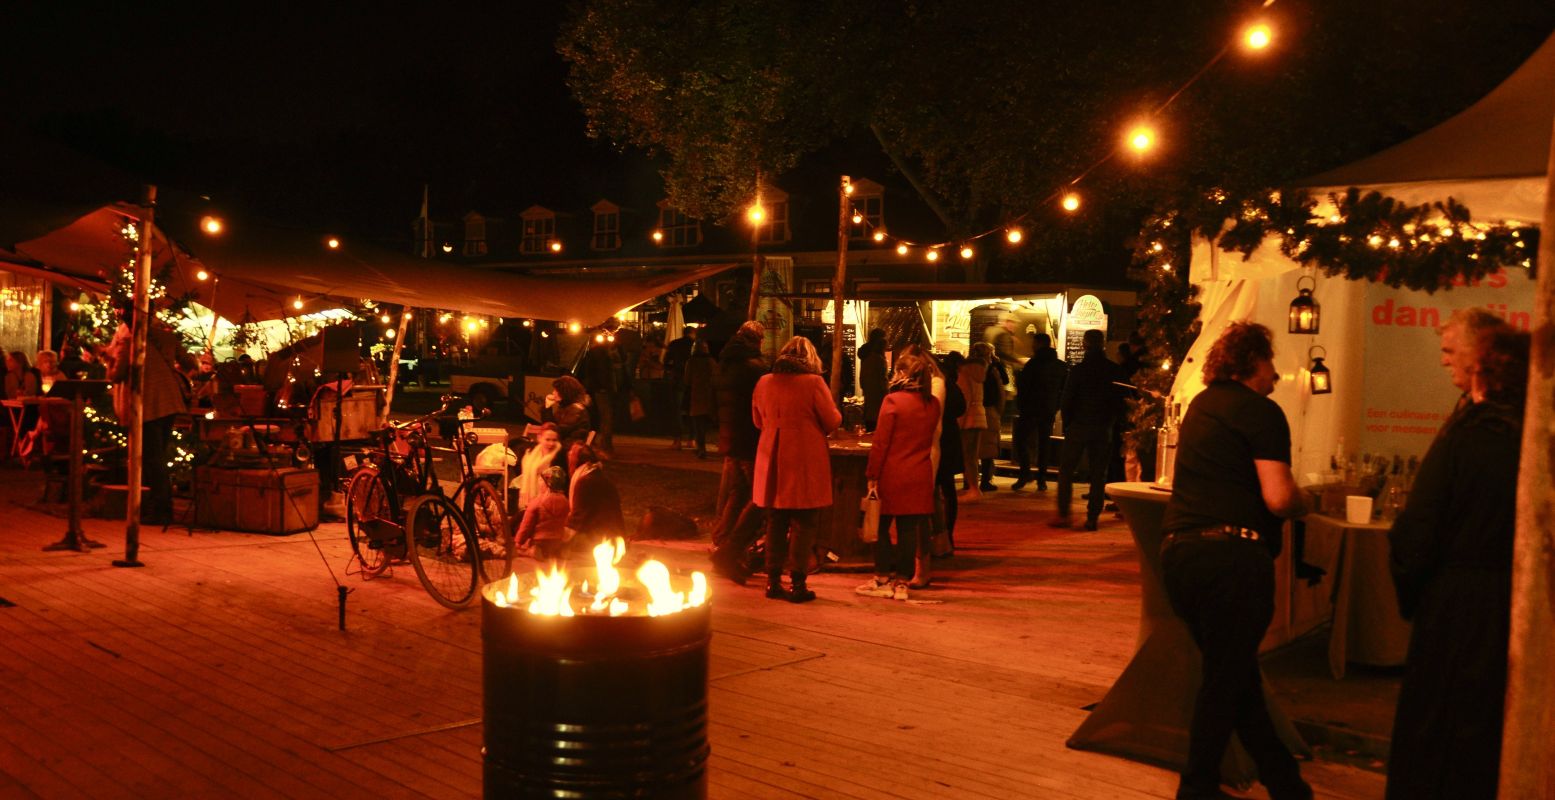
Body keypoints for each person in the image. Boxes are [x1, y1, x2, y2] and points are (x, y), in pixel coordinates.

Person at [1159, 322, 1311, 800]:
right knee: (1226, 680)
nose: (1277, 374)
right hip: (1233, 559)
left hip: (1181, 553)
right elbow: (1280, 498)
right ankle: (1196, 786)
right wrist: (1311, 501)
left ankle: (1286, 782)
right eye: (1270, 363)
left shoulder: (1202, 406)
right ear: (1250, 363)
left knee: (1235, 674)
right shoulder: (1261, 413)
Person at [1385, 315, 1526, 800]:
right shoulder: (1532, 431)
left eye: (1450, 351)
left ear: (1481, 359)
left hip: (1459, 607)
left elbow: (1418, 530)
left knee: (1442, 732)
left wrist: (1417, 591)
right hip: (1516, 600)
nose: (1443, 361)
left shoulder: (1468, 433)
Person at [751, 336, 841, 603]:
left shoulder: (764, 382)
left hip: (772, 456)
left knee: (776, 521)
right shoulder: (813, 383)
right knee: (804, 522)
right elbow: (832, 419)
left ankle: (772, 580)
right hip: (804, 457)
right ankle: (798, 583)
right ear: (810, 359)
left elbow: (757, 420)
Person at [856, 351, 940, 601]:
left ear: (902, 374)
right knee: (908, 530)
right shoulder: (932, 403)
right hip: (920, 472)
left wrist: (872, 474)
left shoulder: (892, 401)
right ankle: (903, 582)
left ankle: (882, 578)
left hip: (893, 472)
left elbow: (881, 442)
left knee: (880, 527)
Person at [105, 317, 190, 525]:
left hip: (145, 404)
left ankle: (161, 509)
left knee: (151, 458)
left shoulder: (129, 340)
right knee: (158, 455)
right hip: (169, 400)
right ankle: (160, 505)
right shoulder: (165, 336)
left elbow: (117, 374)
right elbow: (189, 362)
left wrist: (108, 360)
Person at [710, 321, 768, 584]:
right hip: (749, 439)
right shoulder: (754, 369)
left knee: (738, 492)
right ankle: (729, 551)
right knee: (759, 498)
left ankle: (722, 543)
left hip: (729, 437)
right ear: (757, 340)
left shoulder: (725, 364)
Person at [1051, 329, 1124, 530]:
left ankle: (1064, 513)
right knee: (1098, 473)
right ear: (1103, 344)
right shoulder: (1113, 370)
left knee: (1066, 470)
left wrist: (1067, 424)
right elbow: (1119, 401)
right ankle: (1093, 516)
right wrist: (1112, 422)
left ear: (1084, 344)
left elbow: (1067, 400)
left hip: (1079, 425)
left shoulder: (1078, 370)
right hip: (1102, 426)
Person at [1013, 332, 1067, 491]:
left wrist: (1021, 405)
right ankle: (1041, 479)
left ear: (1038, 344)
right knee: (1044, 443)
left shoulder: (1033, 364)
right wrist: (1056, 405)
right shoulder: (1059, 365)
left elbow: (1024, 387)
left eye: (1033, 343)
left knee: (1021, 440)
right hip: (1048, 409)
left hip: (1030, 409)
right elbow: (1063, 389)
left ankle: (1025, 472)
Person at [935, 351, 968, 557]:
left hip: (940, 439)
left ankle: (940, 536)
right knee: (947, 489)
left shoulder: (940, 383)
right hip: (947, 438)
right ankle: (946, 535)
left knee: (939, 489)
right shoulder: (949, 383)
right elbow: (960, 407)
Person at [566, 443, 625, 548]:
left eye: (571, 453)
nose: (568, 454)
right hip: (608, 534)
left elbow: (578, 516)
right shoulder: (595, 474)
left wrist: (562, 539)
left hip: (602, 539)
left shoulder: (586, 481)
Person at [581, 334, 628, 456]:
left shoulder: (616, 349)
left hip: (613, 387)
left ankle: (603, 444)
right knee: (606, 417)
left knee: (608, 417)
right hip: (604, 388)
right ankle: (605, 446)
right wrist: (596, 387)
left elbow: (623, 366)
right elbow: (591, 371)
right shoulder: (598, 352)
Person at [516, 466, 572, 562]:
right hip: (558, 540)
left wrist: (518, 541)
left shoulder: (537, 502)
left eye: (540, 480)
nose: (538, 482)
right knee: (555, 547)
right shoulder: (566, 502)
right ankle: (558, 551)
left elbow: (526, 525)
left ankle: (532, 552)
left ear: (547, 484)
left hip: (540, 541)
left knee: (519, 550)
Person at [954, 344, 988, 500]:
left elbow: (964, 399)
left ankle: (973, 488)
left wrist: (958, 422)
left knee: (967, 455)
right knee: (973, 455)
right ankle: (975, 488)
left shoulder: (964, 373)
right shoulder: (980, 373)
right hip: (979, 414)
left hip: (969, 418)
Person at [978, 345, 1008, 492]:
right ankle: (985, 480)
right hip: (988, 410)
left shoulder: (965, 369)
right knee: (988, 448)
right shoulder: (992, 370)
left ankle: (968, 480)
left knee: (971, 447)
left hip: (971, 410)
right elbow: (1005, 381)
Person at [516, 423, 564, 510]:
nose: (551, 443)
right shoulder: (531, 453)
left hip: (549, 501)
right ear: (539, 438)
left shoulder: (559, 456)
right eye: (547, 440)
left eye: (554, 440)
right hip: (529, 497)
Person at [683, 338, 717, 459]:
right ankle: (706, 447)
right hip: (709, 396)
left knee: (698, 424)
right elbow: (716, 377)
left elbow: (687, 380)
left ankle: (701, 447)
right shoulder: (711, 362)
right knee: (708, 423)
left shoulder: (691, 362)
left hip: (696, 396)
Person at [663, 325, 696, 449]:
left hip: (678, 379)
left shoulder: (674, 344)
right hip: (693, 381)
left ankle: (677, 439)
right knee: (692, 409)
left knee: (676, 409)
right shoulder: (696, 344)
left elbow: (666, 362)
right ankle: (692, 439)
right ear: (693, 333)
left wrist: (672, 370)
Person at [542, 375, 591, 446]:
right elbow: (550, 427)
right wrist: (547, 407)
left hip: (569, 448)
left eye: (556, 390)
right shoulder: (565, 407)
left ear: (564, 392)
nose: (553, 393)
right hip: (560, 444)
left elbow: (556, 432)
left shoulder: (576, 409)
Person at [857, 328, 889, 432]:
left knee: (870, 424)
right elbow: (883, 383)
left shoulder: (866, 355)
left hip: (869, 399)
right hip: (879, 402)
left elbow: (862, 379)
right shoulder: (878, 359)